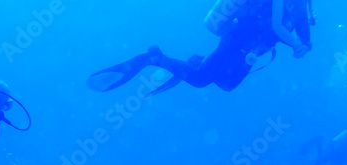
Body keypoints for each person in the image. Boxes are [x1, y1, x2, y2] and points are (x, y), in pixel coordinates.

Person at [87, 0, 313, 95]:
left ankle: (194, 64)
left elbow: (302, 23)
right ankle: (154, 58)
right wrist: (295, 44)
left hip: (252, 47)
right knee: (201, 79)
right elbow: (276, 24)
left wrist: (305, 43)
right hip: (240, 39)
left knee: (227, 84)